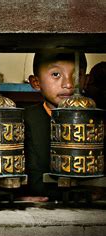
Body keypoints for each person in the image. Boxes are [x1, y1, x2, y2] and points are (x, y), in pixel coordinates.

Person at [24, 52, 87, 201]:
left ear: (86, 80)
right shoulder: (25, 119)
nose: (69, 84)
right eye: (56, 74)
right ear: (35, 82)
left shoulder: (95, 120)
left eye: (77, 75)